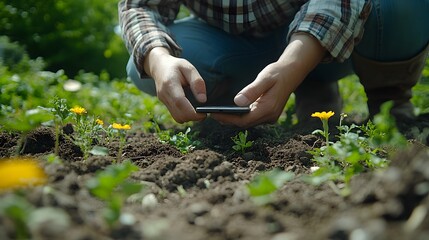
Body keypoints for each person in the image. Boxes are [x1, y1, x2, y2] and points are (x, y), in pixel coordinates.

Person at [119, 0, 429, 128]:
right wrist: (159, 60)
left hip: (324, 38)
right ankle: (236, 100)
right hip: (232, 46)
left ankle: (389, 107)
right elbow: (141, 6)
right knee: (145, 65)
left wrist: (293, 65)